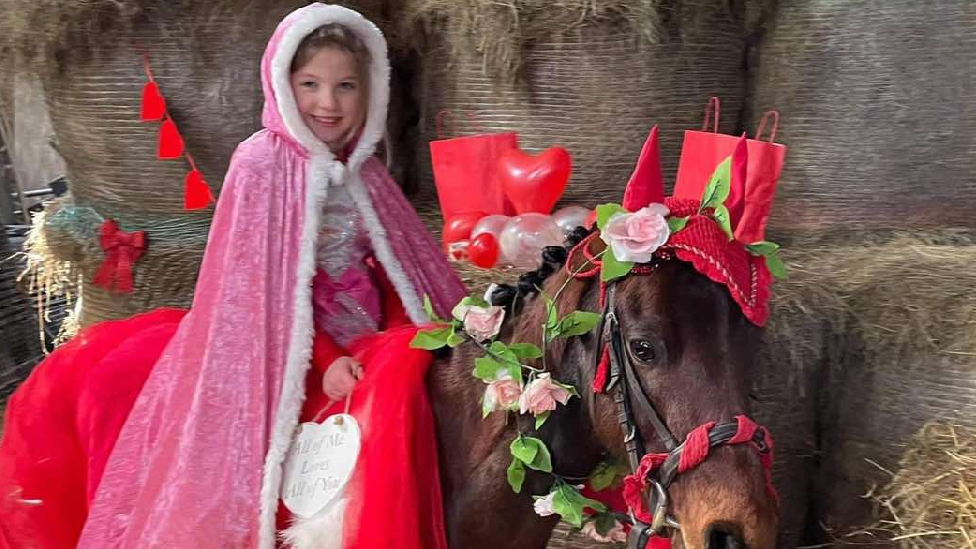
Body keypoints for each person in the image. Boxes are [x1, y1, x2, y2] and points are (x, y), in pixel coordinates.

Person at [0, 4, 465, 549]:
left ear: (371, 92)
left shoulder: (365, 173)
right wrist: (326, 358)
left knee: (418, 388)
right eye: (310, 84)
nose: (328, 103)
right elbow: (256, 291)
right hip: (287, 347)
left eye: (346, 86)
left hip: (366, 339)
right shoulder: (260, 164)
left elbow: (398, 265)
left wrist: (427, 326)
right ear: (282, 84)